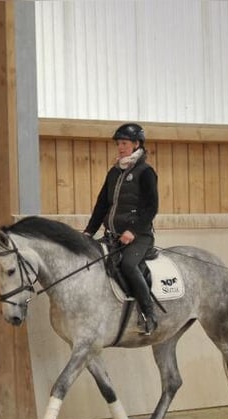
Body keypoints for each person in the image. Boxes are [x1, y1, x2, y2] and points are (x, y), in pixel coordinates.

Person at [83, 122, 159, 335]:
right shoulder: (114, 172)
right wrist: (89, 231)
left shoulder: (146, 172)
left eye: (124, 143)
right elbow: (102, 204)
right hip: (113, 236)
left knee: (128, 265)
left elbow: (151, 208)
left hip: (139, 237)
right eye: (119, 143)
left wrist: (133, 231)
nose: (120, 147)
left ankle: (149, 314)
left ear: (136, 144)